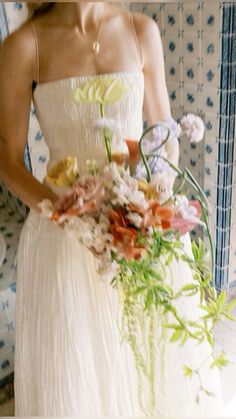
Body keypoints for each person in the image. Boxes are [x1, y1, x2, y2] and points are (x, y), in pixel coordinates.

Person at [0, 2, 223, 416]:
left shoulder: (142, 30)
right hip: (64, 235)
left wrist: (149, 200)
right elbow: (7, 159)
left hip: (139, 223)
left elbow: (164, 135)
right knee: (80, 365)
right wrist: (62, 213)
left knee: (150, 358)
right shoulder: (23, 44)